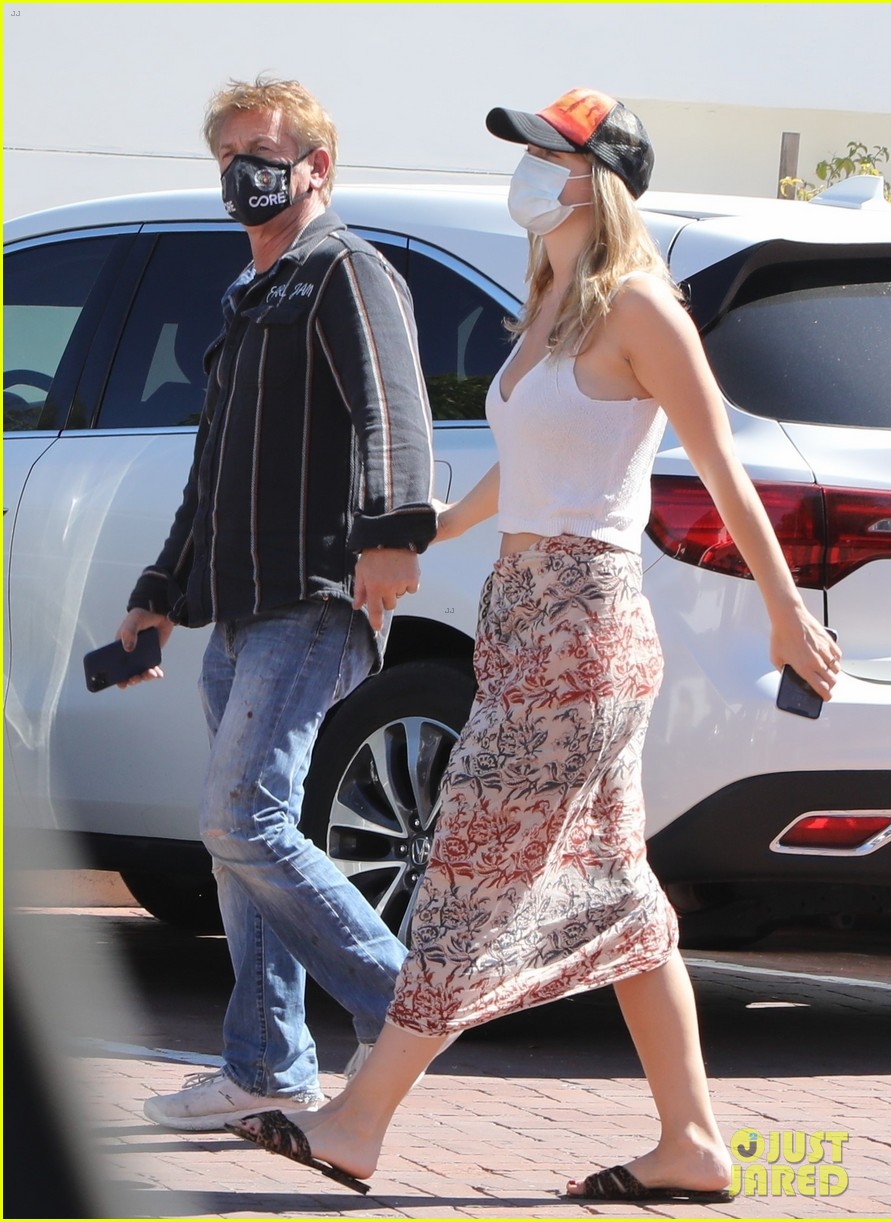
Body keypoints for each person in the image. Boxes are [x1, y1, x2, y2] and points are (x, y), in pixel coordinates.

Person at [226, 88, 843, 1200]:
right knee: (619, 897)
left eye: (542, 153)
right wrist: (429, 526)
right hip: (523, 614)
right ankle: (693, 1146)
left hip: (583, 631)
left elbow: (718, 468)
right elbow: (533, 464)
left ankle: (360, 1119)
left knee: (465, 869)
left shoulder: (642, 309)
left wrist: (784, 611)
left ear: (592, 177)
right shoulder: (554, 301)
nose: (522, 169)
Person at [116, 76, 437, 1131]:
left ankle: (412, 1007)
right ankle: (265, 1066)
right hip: (244, 609)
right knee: (240, 835)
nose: (243, 171)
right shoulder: (248, 296)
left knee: (239, 813)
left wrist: (394, 533)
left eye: (263, 150)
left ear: (316, 168)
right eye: (229, 156)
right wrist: (160, 595)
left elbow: (394, 403)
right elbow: (212, 472)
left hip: (312, 597)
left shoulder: (345, 270)